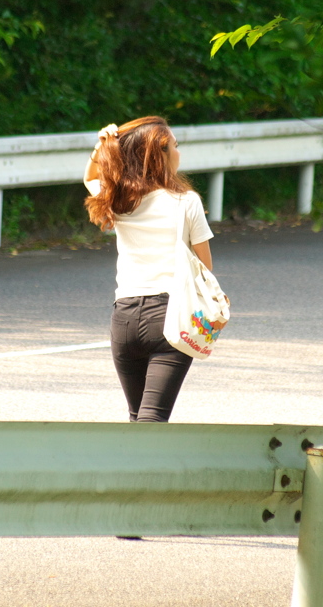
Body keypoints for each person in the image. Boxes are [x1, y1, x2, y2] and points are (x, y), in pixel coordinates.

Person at [84, 116, 219, 423]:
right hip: (169, 317)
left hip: (125, 317)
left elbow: (89, 176)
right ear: (160, 153)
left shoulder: (118, 200)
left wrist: (103, 143)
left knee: (137, 417)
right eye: (175, 146)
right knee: (153, 419)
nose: (179, 152)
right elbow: (204, 269)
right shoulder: (187, 202)